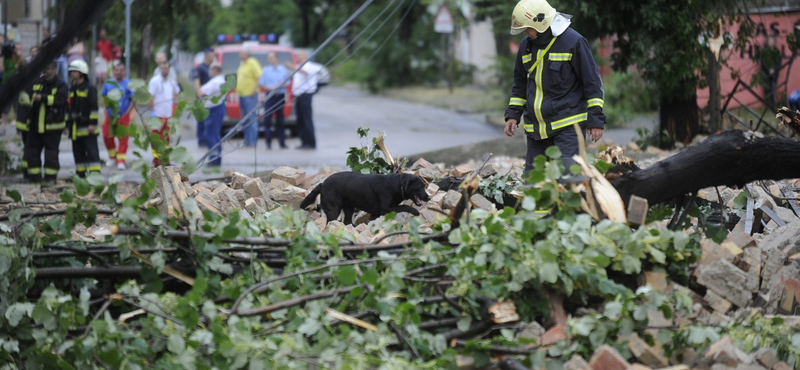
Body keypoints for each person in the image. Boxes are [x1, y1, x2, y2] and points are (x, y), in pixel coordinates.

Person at [504, 0, 605, 179]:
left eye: (528, 28)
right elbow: (520, 84)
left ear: (539, 22)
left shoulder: (574, 42)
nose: (526, 32)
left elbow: (592, 83)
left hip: (568, 128)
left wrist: (596, 119)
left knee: (569, 181)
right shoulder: (525, 47)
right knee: (533, 185)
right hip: (536, 131)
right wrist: (513, 114)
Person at [21, 61, 68, 182]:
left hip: (52, 127)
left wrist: (42, 98)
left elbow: (61, 99)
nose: (45, 71)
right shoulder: (38, 83)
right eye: (44, 69)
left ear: (54, 69)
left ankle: (50, 178)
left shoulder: (61, 85)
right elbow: (27, 91)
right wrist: (26, 98)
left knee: (51, 154)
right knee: (31, 152)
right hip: (35, 126)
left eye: (48, 68)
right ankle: (34, 177)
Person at [67, 60, 101, 178]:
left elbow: (93, 107)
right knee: (78, 154)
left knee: (92, 153)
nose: (72, 73)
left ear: (82, 72)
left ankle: (95, 177)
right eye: (71, 71)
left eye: (75, 71)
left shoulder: (89, 88)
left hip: (88, 128)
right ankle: (80, 177)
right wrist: (67, 124)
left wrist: (92, 123)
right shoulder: (73, 88)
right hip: (76, 128)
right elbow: (70, 107)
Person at [101, 63, 134, 170]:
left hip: (123, 115)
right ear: (114, 71)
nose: (118, 72)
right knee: (107, 136)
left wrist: (127, 113)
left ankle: (121, 160)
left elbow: (133, 100)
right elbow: (103, 96)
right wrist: (105, 109)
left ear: (124, 71)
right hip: (110, 116)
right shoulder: (108, 83)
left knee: (123, 138)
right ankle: (112, 157)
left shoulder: (129, 84)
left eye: (121, 70)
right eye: (117, 70)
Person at [148, 62, 179, 167]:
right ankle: (157, 160)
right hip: (157, 114)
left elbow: (176, 92)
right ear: (160, 69)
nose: (164, 70)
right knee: (157, 137)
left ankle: (165, 159)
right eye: (162, 68)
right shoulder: (155, 81)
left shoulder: (171, 82)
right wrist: (152, 111)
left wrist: (173, 103)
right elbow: (151, 97)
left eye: (166, 68)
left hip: (168, 115)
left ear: (169, 69)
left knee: (166, 138)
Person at [258, 52, 290, 149]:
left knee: (280, 120)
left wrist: (281, 85)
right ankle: (268, 143)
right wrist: (271, 88)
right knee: (267, 120)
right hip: (270, 96)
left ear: (277, 58)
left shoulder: (283, 70)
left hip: (280, 95)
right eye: (269, 58)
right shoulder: (265, 70)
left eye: (272, 58)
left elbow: (287, 82)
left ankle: (282, 142)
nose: (270, 60)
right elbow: (261, 84)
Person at [199, 63, 227, 168]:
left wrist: (196, 81)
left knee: (210, 134)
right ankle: (216, 159)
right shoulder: (220, 80)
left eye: (210, 69)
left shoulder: (216, 82)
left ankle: (214, 160)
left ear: (215, 70)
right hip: (218, 108)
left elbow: (201, 92)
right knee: (215, 134)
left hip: (213, 109)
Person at [236, 47, 262, 147]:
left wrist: (255, 89)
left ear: (246, 54)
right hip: (242, 94)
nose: (239, 55)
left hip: (250, 94)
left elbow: (259, 76)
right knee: (244, 119)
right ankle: (247, 140)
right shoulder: (243, 63)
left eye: (241, 53)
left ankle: (252, 141)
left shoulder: (252, 62)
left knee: (251, 118)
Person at [292, 50, 318, 150]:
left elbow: (305, 72)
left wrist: (292, 67)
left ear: (304, 56)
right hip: (298, 96)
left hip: (305, 95)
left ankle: (311, 142)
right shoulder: (298, 66)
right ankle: (304, 142)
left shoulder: (308, 65)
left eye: (298, 55)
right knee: (300, 120)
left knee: (307, 119)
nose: (297, 57)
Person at [1, 42, 26, 135]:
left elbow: (24, 66)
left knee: (17, 107)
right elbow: (1, 69)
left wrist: (20, 56)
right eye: (16, 49)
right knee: (5, 108)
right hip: (7, 85)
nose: (18, 51)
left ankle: (18, 129)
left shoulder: (19, 59)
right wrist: (2, 56)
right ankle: (3, 129)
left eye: (20, 49)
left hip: (17, 85)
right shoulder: (7, 58)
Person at [192, 47, 214, 147]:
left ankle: (207, 139)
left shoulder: (212, 68)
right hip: (202, 98)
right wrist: (199, 94)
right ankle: (201, 140)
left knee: (208, 120)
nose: (213, 57)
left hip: (210, 98)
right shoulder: (200, 68)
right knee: (201, 121)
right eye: (212, 55)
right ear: (207, 56)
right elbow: (197, 82)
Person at [761, 35, 781, 111]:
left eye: (772, 41)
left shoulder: (776, 51)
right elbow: (763, 62)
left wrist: (774, 69)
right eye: (769, 41)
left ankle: (773, 105)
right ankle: (767, 105)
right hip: (766, 73)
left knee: (773, 88)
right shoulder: (764, 51)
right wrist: (768, 69)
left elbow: (779, 62)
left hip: (774, 74)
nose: (770, 42)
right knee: (766, 89)